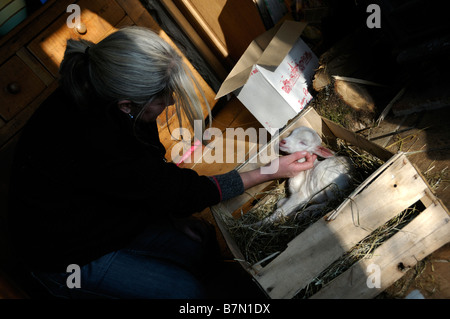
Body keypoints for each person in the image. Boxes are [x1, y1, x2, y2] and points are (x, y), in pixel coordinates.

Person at [7, 26, 316, 299]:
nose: (169, 102)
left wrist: (171, 216)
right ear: (127, 104)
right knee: (184, 292)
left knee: (199, 244)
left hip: (101, 213)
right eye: (161, 98)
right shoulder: (96, 139)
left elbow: (152, 179)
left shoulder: (115, 95)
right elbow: (182, 191)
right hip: (66, 255)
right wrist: (272, 170)